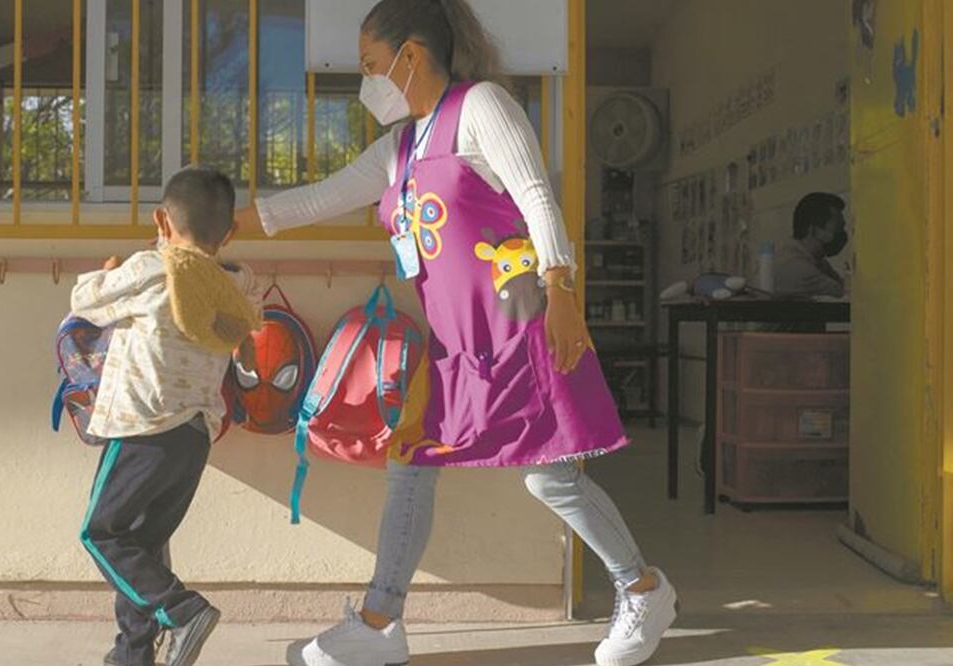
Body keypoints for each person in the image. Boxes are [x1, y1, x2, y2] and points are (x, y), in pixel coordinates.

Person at [236, 2, 676, 665]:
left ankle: (642, 589)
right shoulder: (401, 148)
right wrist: (217, 226)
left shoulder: (482, 108)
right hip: (457, 347)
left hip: (523, 323)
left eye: (372, 66)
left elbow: (536, 195)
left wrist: (562, 288)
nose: (368, 82)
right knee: (410, 462)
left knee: (550, 479)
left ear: (410, 57)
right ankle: (380, 624)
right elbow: (321, 197)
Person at [71, 167, 261, 666]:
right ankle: (132, 654)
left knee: (102, 534)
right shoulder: (236, 287)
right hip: (193, 437)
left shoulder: (149, 269)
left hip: (140, 431)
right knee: (143, 547)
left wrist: (105, 271)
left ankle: (182, 610)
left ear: (161, 219)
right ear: (230, 232)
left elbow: (84, 302)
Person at [774, 192, 849, 299]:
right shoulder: (797, 267)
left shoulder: (817, 261)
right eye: (838, 228)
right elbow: (846, 295)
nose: (843, 235)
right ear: (814, 230)